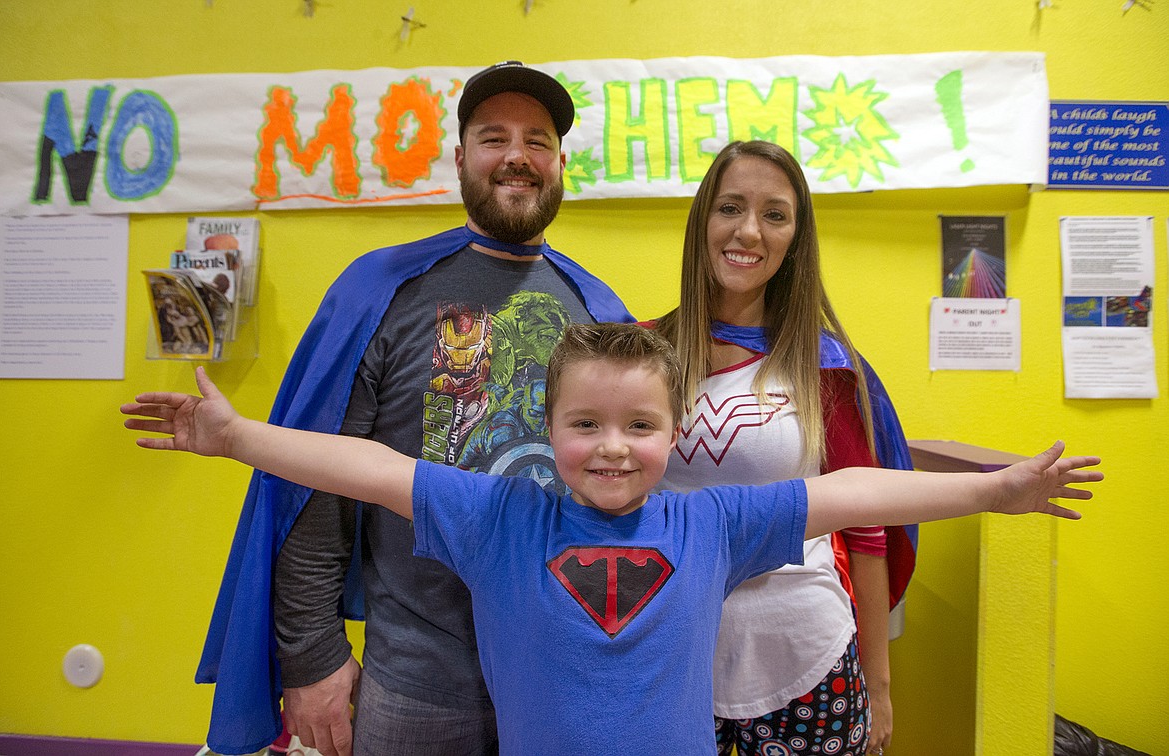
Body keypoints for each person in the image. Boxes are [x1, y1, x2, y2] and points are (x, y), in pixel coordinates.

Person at [121, 322, 1102, 756]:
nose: (612, 448)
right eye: (585, 425)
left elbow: (848, 494)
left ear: (676, 438)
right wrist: (237, 437)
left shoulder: (711, 520)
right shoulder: (504, 516)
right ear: (548, 432)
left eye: (639, 427)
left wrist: (996, 492)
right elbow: (371, 469)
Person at [193, 61, 632, 756]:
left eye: (537, 140)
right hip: (419, 688)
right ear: (460, 159)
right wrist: (311, 657)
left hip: (565, 676)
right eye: (494, 138)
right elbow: (316, 490)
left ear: (559, 163)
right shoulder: (382, 291)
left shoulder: (598, 309)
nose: (517, 155)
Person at [653, 140, 914, 756]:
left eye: (775, 214)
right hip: (673, 659)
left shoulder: (826, 367)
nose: (749, 230)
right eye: (731, 207)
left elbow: (868, 528)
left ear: (796, 237)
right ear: (703, 222)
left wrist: (878, 686)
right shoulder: (646, 351)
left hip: (806, 663)